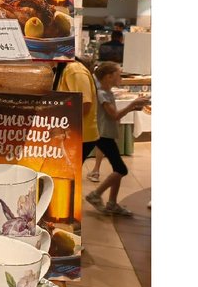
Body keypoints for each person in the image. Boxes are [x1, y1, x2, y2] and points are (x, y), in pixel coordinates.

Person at [85, 61, 150, 217]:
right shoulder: (102, 94)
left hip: (106, 134)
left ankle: (112, 202)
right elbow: (114, 115)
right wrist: (132, 105)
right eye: (118, 74)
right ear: (109, 77)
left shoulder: (107, 92)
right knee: (121, 169)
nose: (121, 77)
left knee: (117, 168)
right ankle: (96, 194)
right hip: (103, 135)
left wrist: (133, 107)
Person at [55, 55, 101, 188]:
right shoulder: (64, 69)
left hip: (79, 135)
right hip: (71, 133)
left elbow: (85, 104)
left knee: (66, 177)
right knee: (66, 176)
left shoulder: (74, 70)